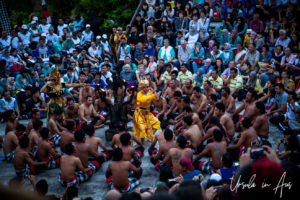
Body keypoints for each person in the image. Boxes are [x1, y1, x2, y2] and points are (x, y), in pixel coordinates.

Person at [133, 79, 161, 144]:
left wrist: (156, 94)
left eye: (148, 86)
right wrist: (152, 95)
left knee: (157, 123)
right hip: (139, 113)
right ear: (142, 88)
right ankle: (142, 143)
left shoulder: (150, 92)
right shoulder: (139, 94)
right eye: (146, 87)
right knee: (142, 128)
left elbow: (156, 98)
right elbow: (143, 100)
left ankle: (150, 135)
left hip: (147, 112)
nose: (148, 88)